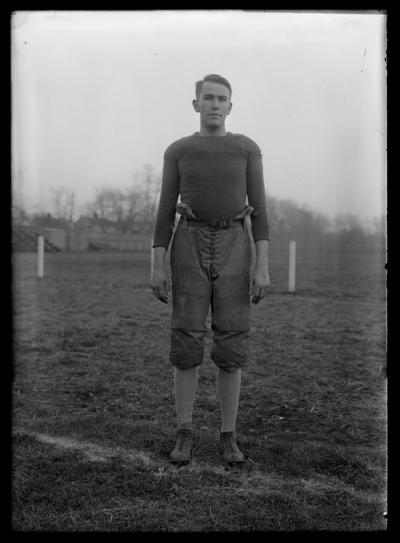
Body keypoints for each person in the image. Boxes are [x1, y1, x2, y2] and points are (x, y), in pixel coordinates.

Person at [151, 74, 270, 465]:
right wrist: (159, 265)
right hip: (189, 244)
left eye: (222, 99)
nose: (215, 105)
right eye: (208, 98)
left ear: (231, 106)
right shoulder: (179, 150)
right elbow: (165, 210)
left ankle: (228, 436)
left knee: (231, 340)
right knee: (186, 337)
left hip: (236, 243)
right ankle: (184, 432)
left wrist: (262, 267)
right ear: (196, 104)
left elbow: (262, 212)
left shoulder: (246, 148)